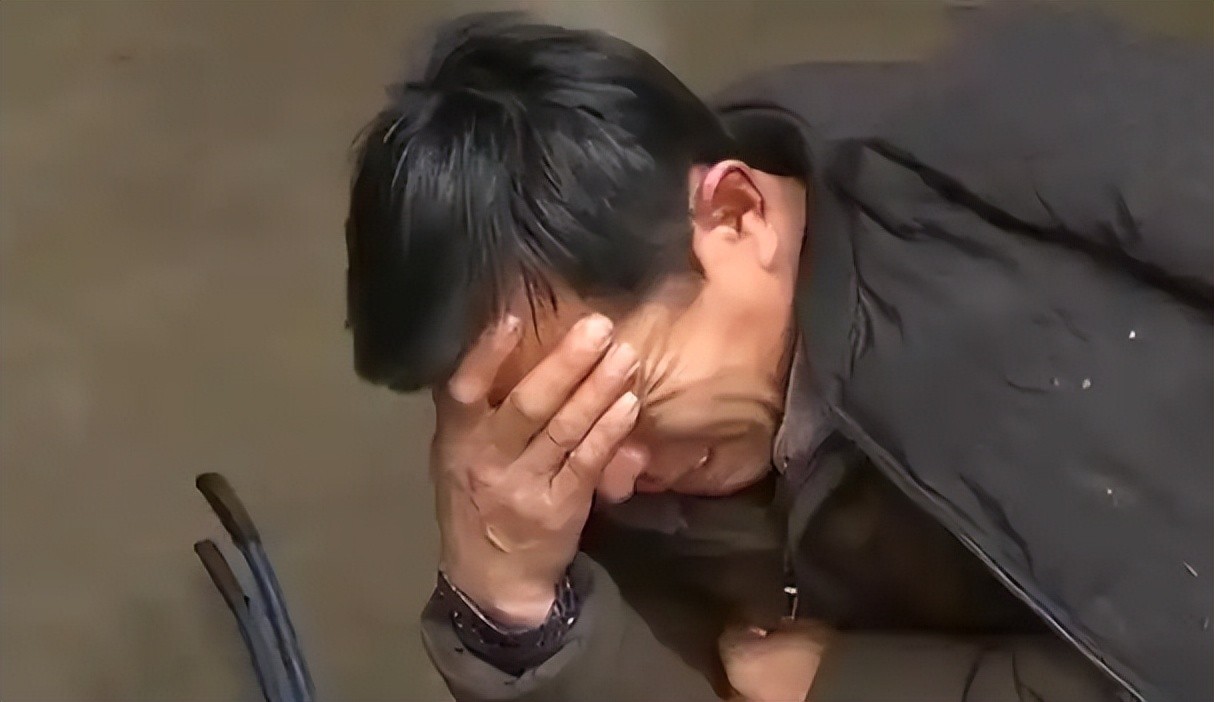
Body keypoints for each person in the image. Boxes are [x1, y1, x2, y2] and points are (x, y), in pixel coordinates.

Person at [343, 8, 1212, 702]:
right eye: (550, 422)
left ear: (736, 215)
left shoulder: (1022, 295)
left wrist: (844, 685)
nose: (611, 478)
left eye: (624, 398)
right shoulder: (581, 480)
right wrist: (516, 616)